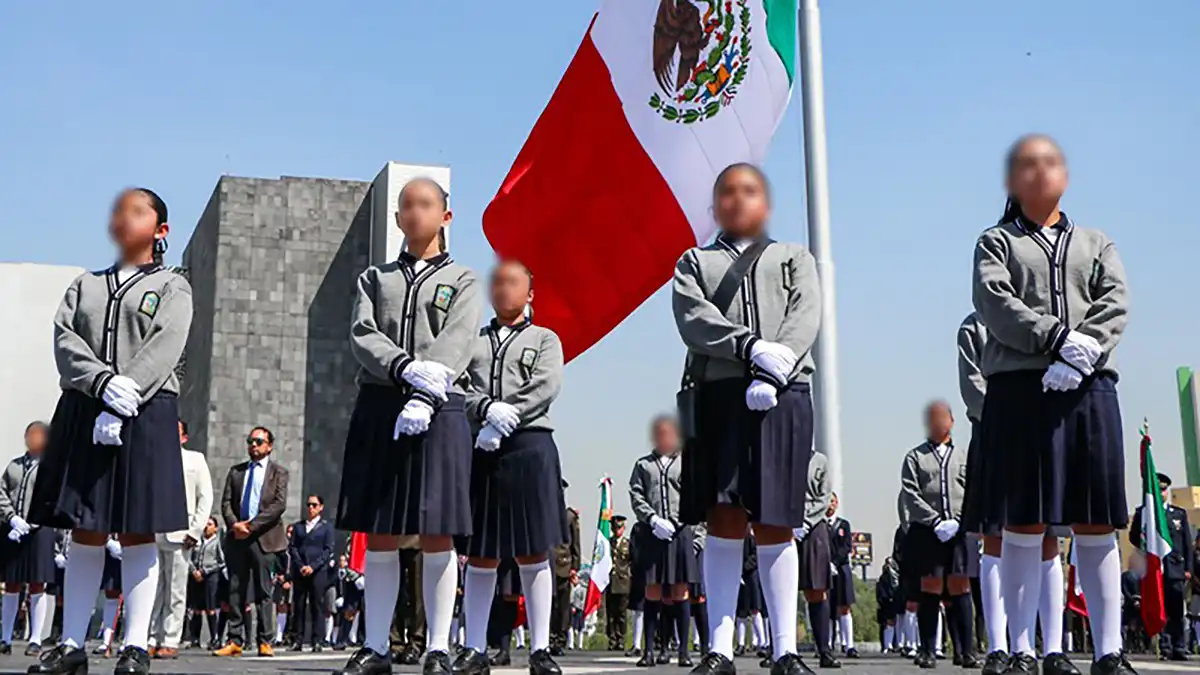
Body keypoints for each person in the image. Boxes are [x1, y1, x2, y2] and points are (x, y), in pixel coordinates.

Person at [972, 134, 1132, 675]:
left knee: (1095, 522)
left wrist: (1083, 352)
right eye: (1027, 166)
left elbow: (1115, 300)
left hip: (1090, 389)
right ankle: (1021, 647)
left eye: (1050, 164)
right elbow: (996, 303)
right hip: (1021, 391)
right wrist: (1055, 338)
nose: (1040, 174)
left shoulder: (1097, 242)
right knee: (1023, 521)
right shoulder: (996, 243)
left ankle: (1109, 650)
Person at [27, 187, 193, 675]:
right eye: (120, 210)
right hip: (85, 408)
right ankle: (73, 642)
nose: (125, 217)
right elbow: (65, 339)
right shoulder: (86, 285)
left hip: (147, 411)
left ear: (161, 230)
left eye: (138, 211)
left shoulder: (172, 286)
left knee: (139, 528)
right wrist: (101, 383)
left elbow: (167, 343)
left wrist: (128, 392)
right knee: (87, 526)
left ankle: (135, 645)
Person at [673, 163, 821, 675]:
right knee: (723, 518)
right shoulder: (694, 262)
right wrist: (751, 348)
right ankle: (720, 646)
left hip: (784, 392)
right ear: (714, 207)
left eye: (749, 191)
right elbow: (694, 320)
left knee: (777, 520)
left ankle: (785, 648)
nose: (737, 200)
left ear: (766, 204)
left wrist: (777, 365)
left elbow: (806, 314)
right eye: (727, 193)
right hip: (719, 394)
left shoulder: (794, 258)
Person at [334, 177, 484, 675]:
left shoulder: (462, 279)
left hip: (440, 407)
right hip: (381, 403)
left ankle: (438, 646)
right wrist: (402, 368)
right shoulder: (375, 279)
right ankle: (376, 646)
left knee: (437, 530)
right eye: (405, 207)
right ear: (397, 219)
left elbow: (460, 336)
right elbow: (361, 333)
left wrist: (426, 384)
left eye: (424, 205)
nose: (414, 213)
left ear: (446, 216)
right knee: (380, 531)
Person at [452, 258, 569, 675]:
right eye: (497, 283)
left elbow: (546, 385)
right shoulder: (473, 341)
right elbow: (459, 385)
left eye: (513, 283)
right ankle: (475, 648)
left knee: (533, 551)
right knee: (482, 552)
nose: (503, 290)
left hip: (529, 446)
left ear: (530, 293)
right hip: (481, 445)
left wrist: (508, 415)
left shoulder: (545, 339)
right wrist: (485, 410)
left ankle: (540, 650)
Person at [958, 312, 1075, 675]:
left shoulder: (1053, 317)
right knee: (995, 536)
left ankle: (1053, 648)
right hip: (997, 431)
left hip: (1046, 428)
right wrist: (1003, 416)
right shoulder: (977, 325)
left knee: (1048, 537)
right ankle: (999, 647)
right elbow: (972, 384)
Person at [898, 400, 976, 669]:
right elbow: (911, 494)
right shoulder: (915, 457)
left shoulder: (964, 456)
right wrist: (934, 522)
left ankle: (966, 649)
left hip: (958, 532)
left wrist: (959, 521)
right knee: (930, 589)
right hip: (928, 533)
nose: (938, 423)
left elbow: (972, 492)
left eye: (943, 418)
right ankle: (928, 649)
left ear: (952, 422)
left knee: (960, 588)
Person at [629, 415, 700, 668]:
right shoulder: (643, 465)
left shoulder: (686, 462)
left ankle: (683, 650)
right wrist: (652, 519)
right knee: (653, 590)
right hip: (653, 533)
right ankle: (649, 650)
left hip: (680, 533)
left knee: (680, 591)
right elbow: (636, 495)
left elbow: (693, 494)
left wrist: (680, 522)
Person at [213, 426, 290, 657]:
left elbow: (278, 505)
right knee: (236, 589)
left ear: (269, 446)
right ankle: (235, 639)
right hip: (238, 538)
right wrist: (235, 524)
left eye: (258, 441)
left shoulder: (279, 473)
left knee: (264, 591)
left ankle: (265, 640)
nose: (253, 446)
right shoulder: (236, 472)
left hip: (264, 538)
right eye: (250, 441)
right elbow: (226, 502)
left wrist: (252, 525)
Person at [148, 420, 212, 659]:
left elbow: (205, 497)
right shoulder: (155, 459)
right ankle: (151, 636)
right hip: (155, 531)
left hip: (181, 532)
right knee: (154, 588)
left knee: (175, 590)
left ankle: (171, 639)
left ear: (184, 437)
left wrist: (195, 531)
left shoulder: (195, 460)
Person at [1, 422, 55, 656]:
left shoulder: (51, 466)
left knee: (37, 583)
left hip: (40, 530)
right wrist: (12, 518)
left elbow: (51, 498)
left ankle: (35, 638)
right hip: (13, 530)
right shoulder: (14, 466)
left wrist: (33, 522)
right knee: (11, 583)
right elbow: (2, 492)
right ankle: (5, 637)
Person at [1129, 473, 1193, 661]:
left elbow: (1186, 543)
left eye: (1164, 489)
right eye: (1159, 489)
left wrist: (1188, 568)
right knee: (1160, 608)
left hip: (1175, 569)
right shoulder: (1144, 513)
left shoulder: (1178, 514)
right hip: (1155, 569)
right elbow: (1134, 537)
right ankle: (1165, 646)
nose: (1162, 492)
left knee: (1177, 611)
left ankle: (1179, 646)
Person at [794, 451, 839, 670]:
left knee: (816, 589)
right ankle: (781, 649)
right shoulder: (780, 454)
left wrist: (806, 521)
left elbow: (825, 496)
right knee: (781, 590)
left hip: (813, 527)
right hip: (784, 524)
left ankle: (824, 650)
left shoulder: (820, 461)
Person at [289, 495, 335, 652]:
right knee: (299, 606)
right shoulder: (298, 527)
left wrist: (313, 566)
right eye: (308, 504)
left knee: (317, 605)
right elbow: (293, 547)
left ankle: (317, 640)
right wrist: (301, 565)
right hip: (300, 571)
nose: (311, 508)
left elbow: (327, 550)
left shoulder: (326, 527)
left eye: (314, 505)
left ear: (321, 507)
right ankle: (297, 639)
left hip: (318, 572)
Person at [826, 494, 857, 659]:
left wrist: (835, 562)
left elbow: (846, 547)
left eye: (832, 501)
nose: (830, 505)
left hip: (842, 569)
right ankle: (827, 645)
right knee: (828, 609)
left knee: (844, 607)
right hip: (825, 570)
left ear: (837, 503)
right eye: (827, 501)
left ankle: (849, 645)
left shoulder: (843, 524)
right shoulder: (821, 525)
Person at [187, 517, 224, 651]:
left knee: (210, 607)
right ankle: (194, 638)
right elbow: (189, 556)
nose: (206, 527)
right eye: (205, 524)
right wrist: (193, 570)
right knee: (196, 607)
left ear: (215, 528)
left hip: (210, 576)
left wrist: (205, 571)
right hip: (196, 576)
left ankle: (214, 637)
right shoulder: (197, 541)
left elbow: (221, 562)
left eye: (210, 524)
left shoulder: (217, 542)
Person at [550, 493, 581, 656]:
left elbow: (575, 543)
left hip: (563, 565)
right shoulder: (545, 512)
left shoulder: (569, 516)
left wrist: (575, 567)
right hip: (546, 563)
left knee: (562, 605)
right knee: (548, 603)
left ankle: (559, 639)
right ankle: (547, 638)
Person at [391, 535, 426, 664]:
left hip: (419, 538)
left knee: (418, 596)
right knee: (392, 595)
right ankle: (395, 644)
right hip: (392, 538)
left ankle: (416, 644)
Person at [607, 516, 632, 652]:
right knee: (611, 614)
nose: (616, 530)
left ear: (623, 528)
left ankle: (621, 639)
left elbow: (631, 561)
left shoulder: (628, 544)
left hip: (623, 582)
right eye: (614, 528)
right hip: (610, 581)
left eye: (619, 528)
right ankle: (612, 639)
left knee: (621, 614)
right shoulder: (607, 543)